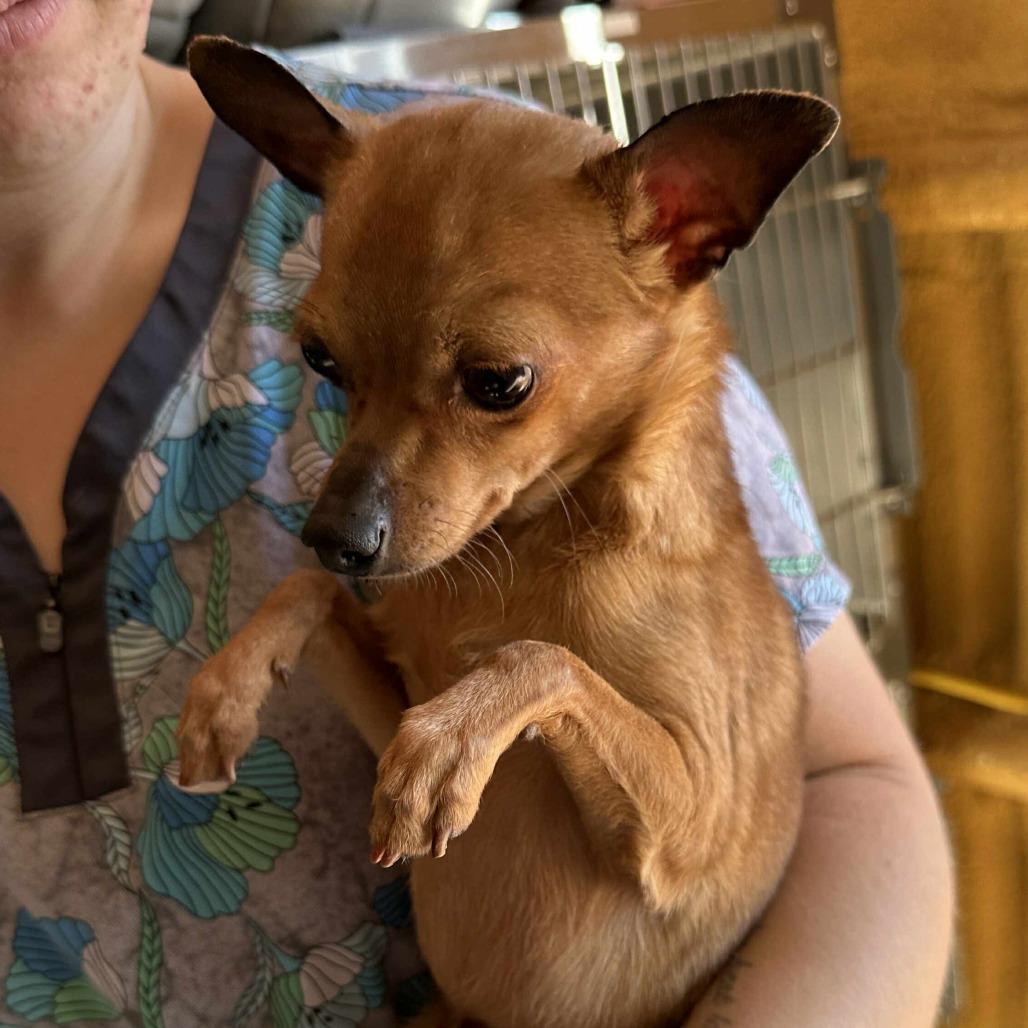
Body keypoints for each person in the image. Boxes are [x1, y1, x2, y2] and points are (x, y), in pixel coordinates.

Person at [0, 2, 953, 1025]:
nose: (362, 508)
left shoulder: (520, 196)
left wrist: (541, 685)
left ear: (681, 222)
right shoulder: (372, 182)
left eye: (495, 383)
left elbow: (846, 787)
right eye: (330, 364)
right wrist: (299, 619)